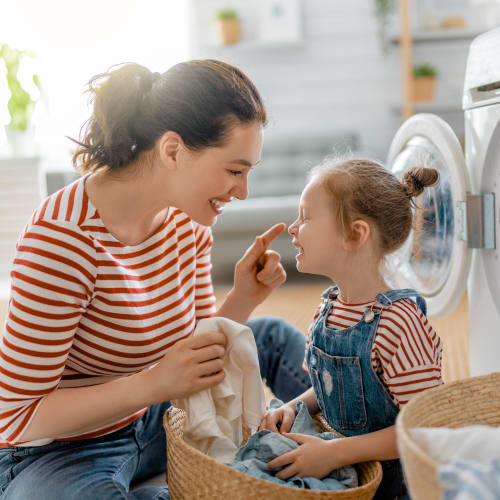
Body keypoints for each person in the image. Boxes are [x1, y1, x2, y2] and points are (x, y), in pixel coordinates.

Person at [0, 60, 306, 499]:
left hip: (157, 416)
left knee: (268, 334)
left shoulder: (189, 221)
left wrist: (242, 298)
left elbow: (194, 355)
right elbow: (19, 414)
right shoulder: (63, 239)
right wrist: (153, 383)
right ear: (173, 151)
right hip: (59, 449)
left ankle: (355, 446)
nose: (243, 192)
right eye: (234, 171)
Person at [255, 158, 443, 499]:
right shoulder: (329, 309)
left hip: (396, 485)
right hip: (341, 470)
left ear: (355, 234)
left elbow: (423, 426)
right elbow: (331, 386)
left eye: (306, 217)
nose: (293, 228)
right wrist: (293, 407)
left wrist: (335, 453)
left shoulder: (400, 323)